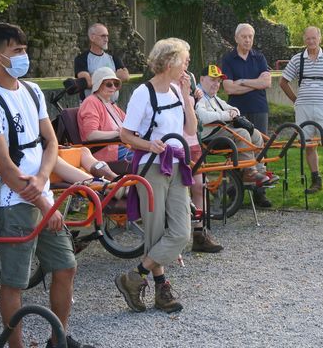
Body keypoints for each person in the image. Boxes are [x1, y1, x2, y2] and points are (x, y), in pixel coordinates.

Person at [0, 23, 93, 348]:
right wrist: (42, 202)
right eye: (18, 51)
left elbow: (51, 141)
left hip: (40, 194)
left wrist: (43, 185)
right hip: (11, 203)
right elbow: (6, 168)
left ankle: (59, 338)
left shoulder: (32, 91)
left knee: (66, 266)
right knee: (15, 282)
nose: (25, 56)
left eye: (25, 49)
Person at [115, 38, 197, 314]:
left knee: (181, 232)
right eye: (184, 59)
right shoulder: (143, 93)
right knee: (155, 232)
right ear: (169, 61)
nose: (187, 64)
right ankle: (162, 289)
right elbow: (125, 134)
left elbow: (191, 128)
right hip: (151, 165)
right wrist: (149, 144)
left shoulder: (177, 90)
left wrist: (187, 96)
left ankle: (134, 276)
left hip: (176, 163)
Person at [280, 26, 323, 196]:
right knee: (309, 145)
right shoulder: (297, 59)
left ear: (320, 38)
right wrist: (297, 101)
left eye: (314, 38)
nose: (311, 41)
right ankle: (315, 181)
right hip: (303, 108)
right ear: (304, 39)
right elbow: (283, 82)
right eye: (308, 38)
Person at [196, 64, 276, 207]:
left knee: (256, 134)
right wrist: (228, 115)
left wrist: (233, 112)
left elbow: (233, 108)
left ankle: (260, 171)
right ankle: (249, 172)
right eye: (213, 79)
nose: (216, 84)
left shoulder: (213, 97)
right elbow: (203, 117)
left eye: (218, 81)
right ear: (202, 79)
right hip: (209, 135)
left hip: (220, 130)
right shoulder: (199, 95)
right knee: (243, 133)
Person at [177, 68, 222, 253]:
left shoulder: (190, 79)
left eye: (187, 60)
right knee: (179, 189)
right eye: (183, 59)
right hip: (177, 143)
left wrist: (193, 97)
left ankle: (199, 233)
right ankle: (175, 235)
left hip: (193, 141)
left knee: (200, 186)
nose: (186, 64)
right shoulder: (166, 84)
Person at [221, 23, 271, 134]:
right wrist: (257, 84)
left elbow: (266, 82)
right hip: (237, 110)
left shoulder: (259, 58)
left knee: (261, 146)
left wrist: (242, 82)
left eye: (250, 37)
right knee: (241, 146)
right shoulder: (228, 59)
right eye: (244, 37)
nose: (247, 40)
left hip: (259, 108)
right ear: (236, 38)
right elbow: (229, 88)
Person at [77, 66, 131, 166]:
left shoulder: (110, 104)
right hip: (107, 151)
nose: (114, 87)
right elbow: (91, 135)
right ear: (98, 85)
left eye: (116, 84)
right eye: (109, 84)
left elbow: (129, 124)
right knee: (146, 156)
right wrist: (117, 133)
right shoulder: (91, 102)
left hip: (123, 145)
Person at [74, 22, 129, 101]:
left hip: (112, 106)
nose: (106, 39)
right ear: (92, 37)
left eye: (107, 36)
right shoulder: (81, 59)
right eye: (103, 36)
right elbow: (87, 82)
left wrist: (95, 77)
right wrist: (114, 76)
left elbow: (125, 76)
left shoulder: (113, 58)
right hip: (91, 107)